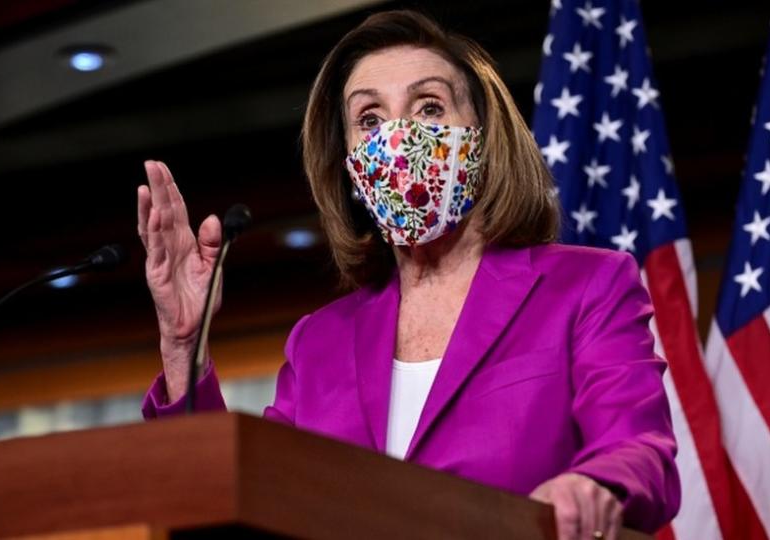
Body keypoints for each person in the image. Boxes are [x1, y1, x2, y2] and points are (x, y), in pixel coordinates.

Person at [136, 10, 679, 540]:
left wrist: (590, 484)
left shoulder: (587, 286)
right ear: (350, 163)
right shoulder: (317, 342)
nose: (399, 137)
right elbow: (244, 503)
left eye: (428, 108)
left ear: (483, 139)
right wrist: (185, 344)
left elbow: (640, 450)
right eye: (370, 119)